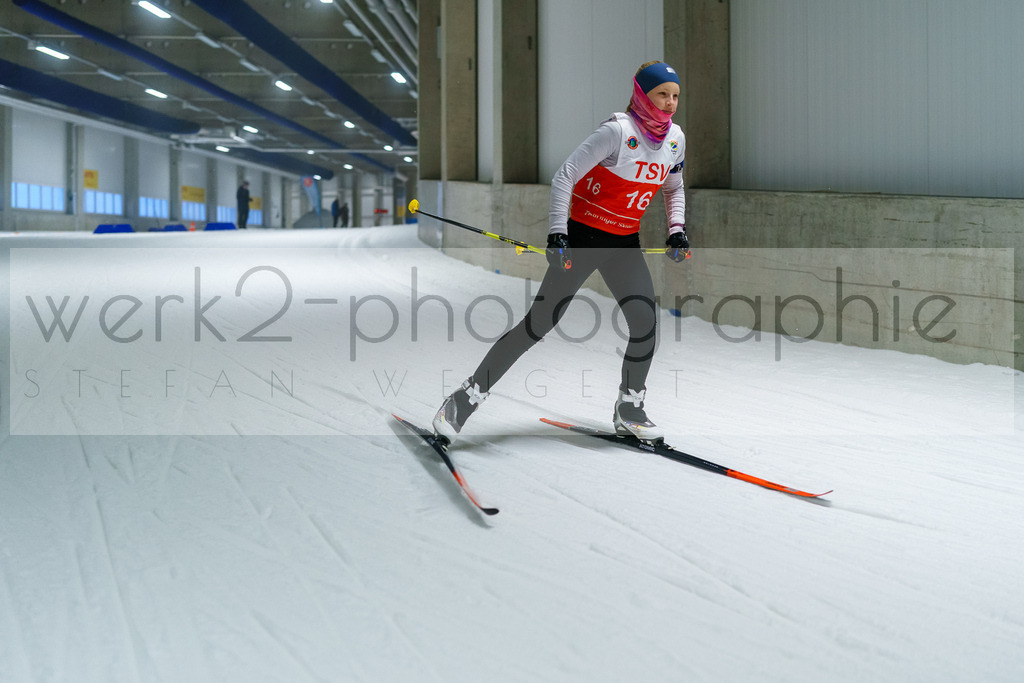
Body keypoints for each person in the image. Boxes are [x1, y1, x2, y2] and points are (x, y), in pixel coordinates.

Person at [433, 61, 690, 444]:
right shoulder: (617, 132)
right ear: (642, 93)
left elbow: (673, 188)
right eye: (661, 94)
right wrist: (558, 234)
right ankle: (464, 399)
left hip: (623, 243)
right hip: (584, 238)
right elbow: (565, 174)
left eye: (674, 96)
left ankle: (629, 408)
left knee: (645, 324)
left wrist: (676, 230)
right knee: (538, 325)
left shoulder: (675, 140)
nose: (669, 103)